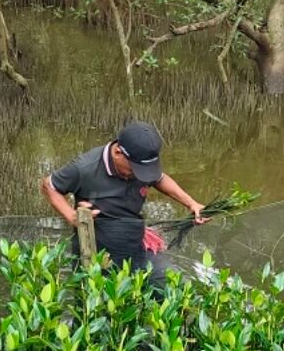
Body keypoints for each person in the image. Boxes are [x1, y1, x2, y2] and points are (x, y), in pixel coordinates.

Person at [40, 121, 206, 286]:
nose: (140, 175)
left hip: (136, 245)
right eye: (135, 169)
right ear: (118, 152)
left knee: (178, 288)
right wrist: (71, 216)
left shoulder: (141, 163)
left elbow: (159, 178)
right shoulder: (84, 167)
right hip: (97, 251)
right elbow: (49, 185)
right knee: (99, 304)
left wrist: (191, 203)